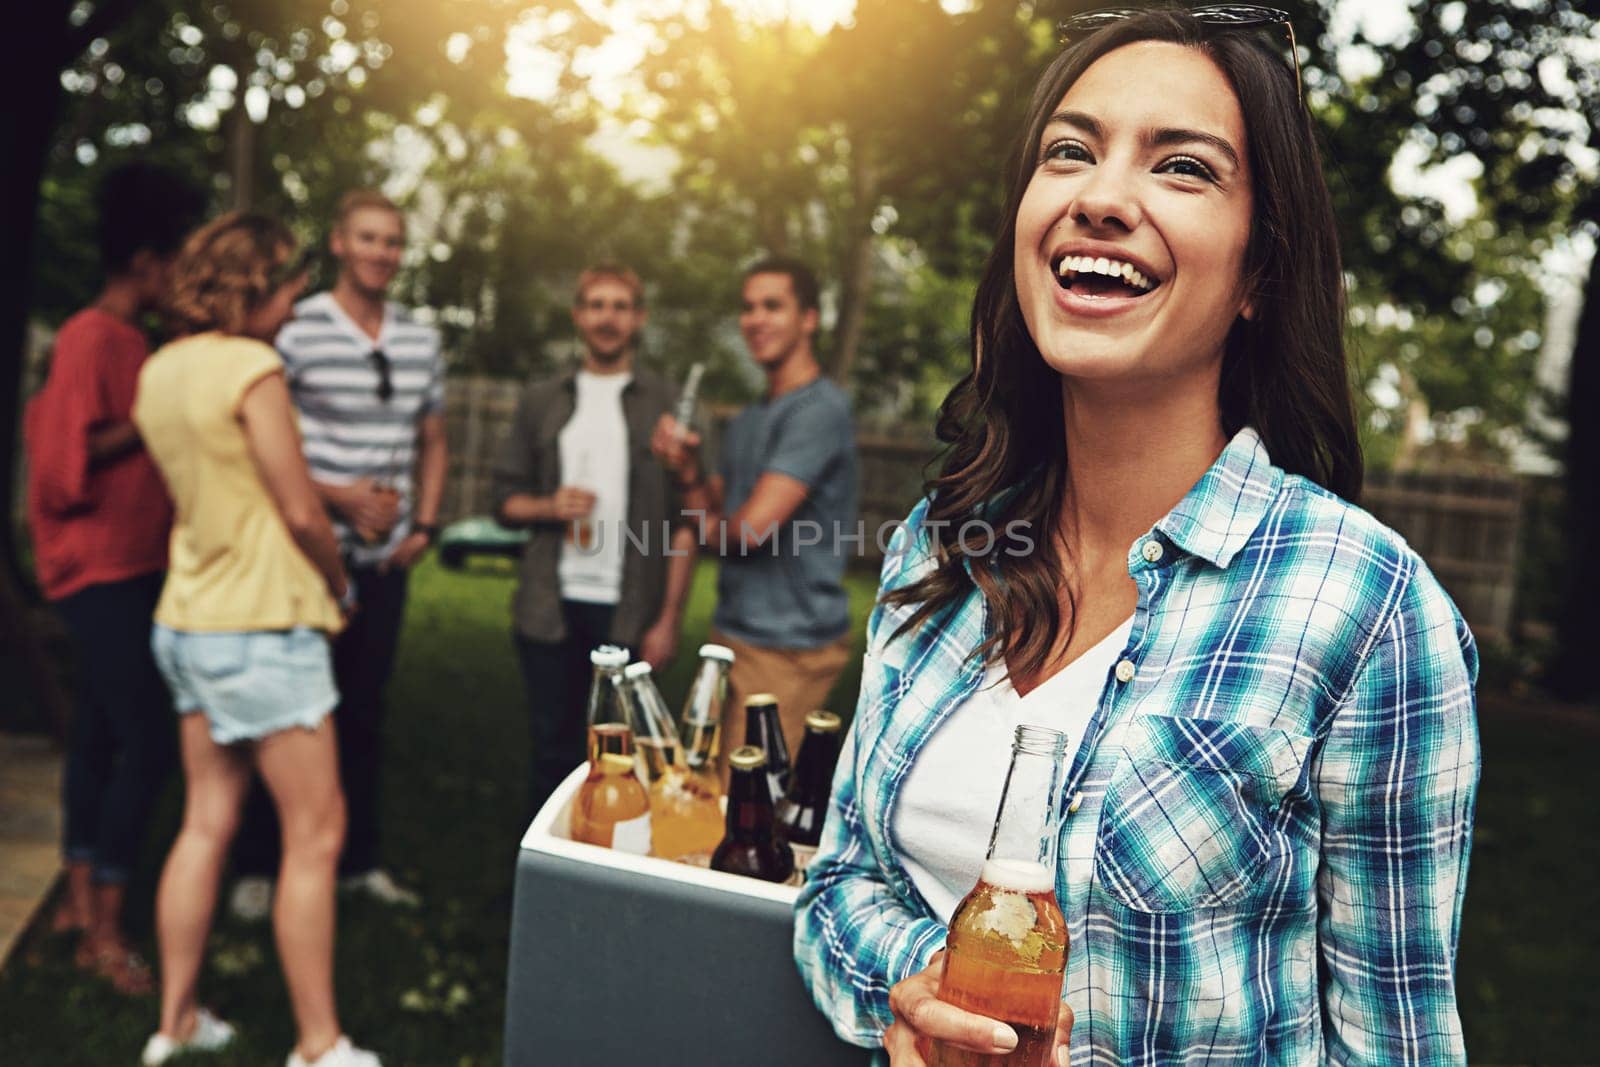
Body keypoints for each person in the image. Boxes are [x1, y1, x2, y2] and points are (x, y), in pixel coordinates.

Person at [792, 8, 1479, 1065]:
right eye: (1070, 150)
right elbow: (838, 883)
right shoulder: (940, 547)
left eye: (1183, 169)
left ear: (1257, 273)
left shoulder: (1367, 606)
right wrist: (925, 992)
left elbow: (1397, 1044)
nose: (1101, 199)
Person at [132, 212, 381, 1066]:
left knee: (205, 821)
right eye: (287, 280)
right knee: (315, 833)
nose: (298, 294)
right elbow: (302, 509)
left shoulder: (160, 370)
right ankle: (320, 1043)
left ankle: (174, 1024)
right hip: (263, 627)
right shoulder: (252, 366)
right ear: (253, 286)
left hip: (189, 621)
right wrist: (343, 589)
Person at [230, 190, 446, 916]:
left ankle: (358, 862)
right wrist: (337, 495)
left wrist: (427, 524)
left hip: (386, 564)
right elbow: (261, 438)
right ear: (340, 243)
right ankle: (259, 865)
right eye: (368, 238)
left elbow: (435, 437)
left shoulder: (421, 338)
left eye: (393, 241)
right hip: (308, 551)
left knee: (363, 712)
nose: (382, 252)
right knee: (290, 708)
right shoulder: (297, 327)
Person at [23, 162, 204, 995]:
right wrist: (149, 421)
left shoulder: (139, 342)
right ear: (145, 263)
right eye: (179, 265)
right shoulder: (92, 336)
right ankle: (103, 931)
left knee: (99, 733)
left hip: (136, 569)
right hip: (92, 571)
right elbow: (62, 468)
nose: (184, 283)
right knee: (148, 740)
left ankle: (74, 896)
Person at [492, 264, 698, 814]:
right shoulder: (542, 400)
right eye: (597, 305)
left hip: (631, 610)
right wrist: (547, 505)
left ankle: (606, 875)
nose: (608, 318)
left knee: (621, 759)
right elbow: (504, 502)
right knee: (552, 751)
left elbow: (686, 522)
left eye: (620, 306)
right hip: (549, 607)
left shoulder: (669, 404)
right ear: (578, 315)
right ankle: (548, 871)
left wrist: (669, 619)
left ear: (639, 318)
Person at [652, 257, 859, 773]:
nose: (756, 319)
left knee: (747, 811)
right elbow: (708, 512)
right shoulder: (749, 420)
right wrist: (686, 470)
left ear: (809, 318)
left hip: (788, 647)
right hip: (734, 633)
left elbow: (746, 532)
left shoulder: (818, 412)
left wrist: (700, 500)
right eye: (747, 308)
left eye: (773, 305)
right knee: (706, 790)